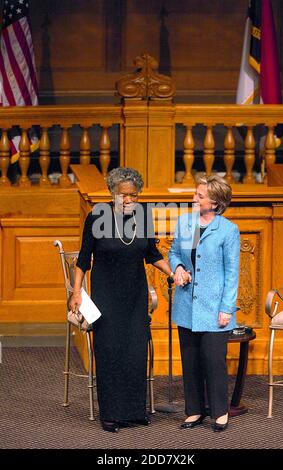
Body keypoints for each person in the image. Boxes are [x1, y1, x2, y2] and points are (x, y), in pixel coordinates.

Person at [69, 167, 173, 433]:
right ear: (111, 193)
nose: (129, 201)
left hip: (135, 294)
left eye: (134, 196)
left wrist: (173, 272)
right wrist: (77, 292)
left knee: (135, 351)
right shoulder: (96, 218)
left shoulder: (143, 216)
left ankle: (134, 412)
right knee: (111, 352)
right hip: (106, 295)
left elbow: (151, 253)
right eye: (123, 196)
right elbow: (83, 260)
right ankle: (111, 414)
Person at [169, 174, 240, 432]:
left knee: (213, 359)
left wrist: (226, 309)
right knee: (190, 360)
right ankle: (194, 411)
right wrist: (177, 268)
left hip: (214, 308)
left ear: (216, 201)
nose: (194, 198)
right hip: (187, 304)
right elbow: (174, 251)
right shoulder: (185, 222)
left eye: (199, 196)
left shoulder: (228, 230)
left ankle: (220, 412)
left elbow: (232, 273)